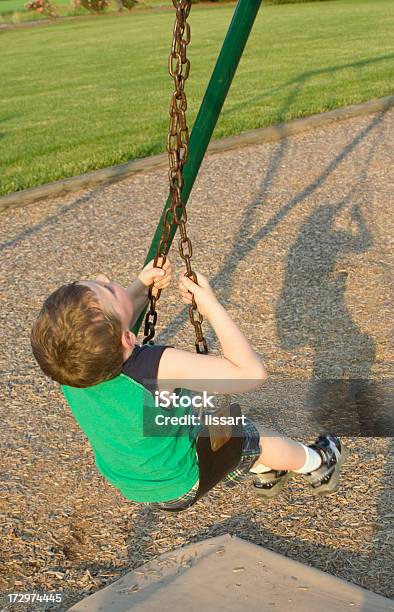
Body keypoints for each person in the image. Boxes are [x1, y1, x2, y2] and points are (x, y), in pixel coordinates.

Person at [30, 258, 347, 511]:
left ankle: (265, 471)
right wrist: (209, 305)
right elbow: (251, 372)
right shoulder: (155, 367)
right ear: (128, 338)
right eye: (109, 290)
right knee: (247, 430)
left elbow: (114, 338)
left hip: (136, 483)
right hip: (185, 479)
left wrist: (139, 289)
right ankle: (318, 463)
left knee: (198, 412)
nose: (102, 277)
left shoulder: (70, 366)